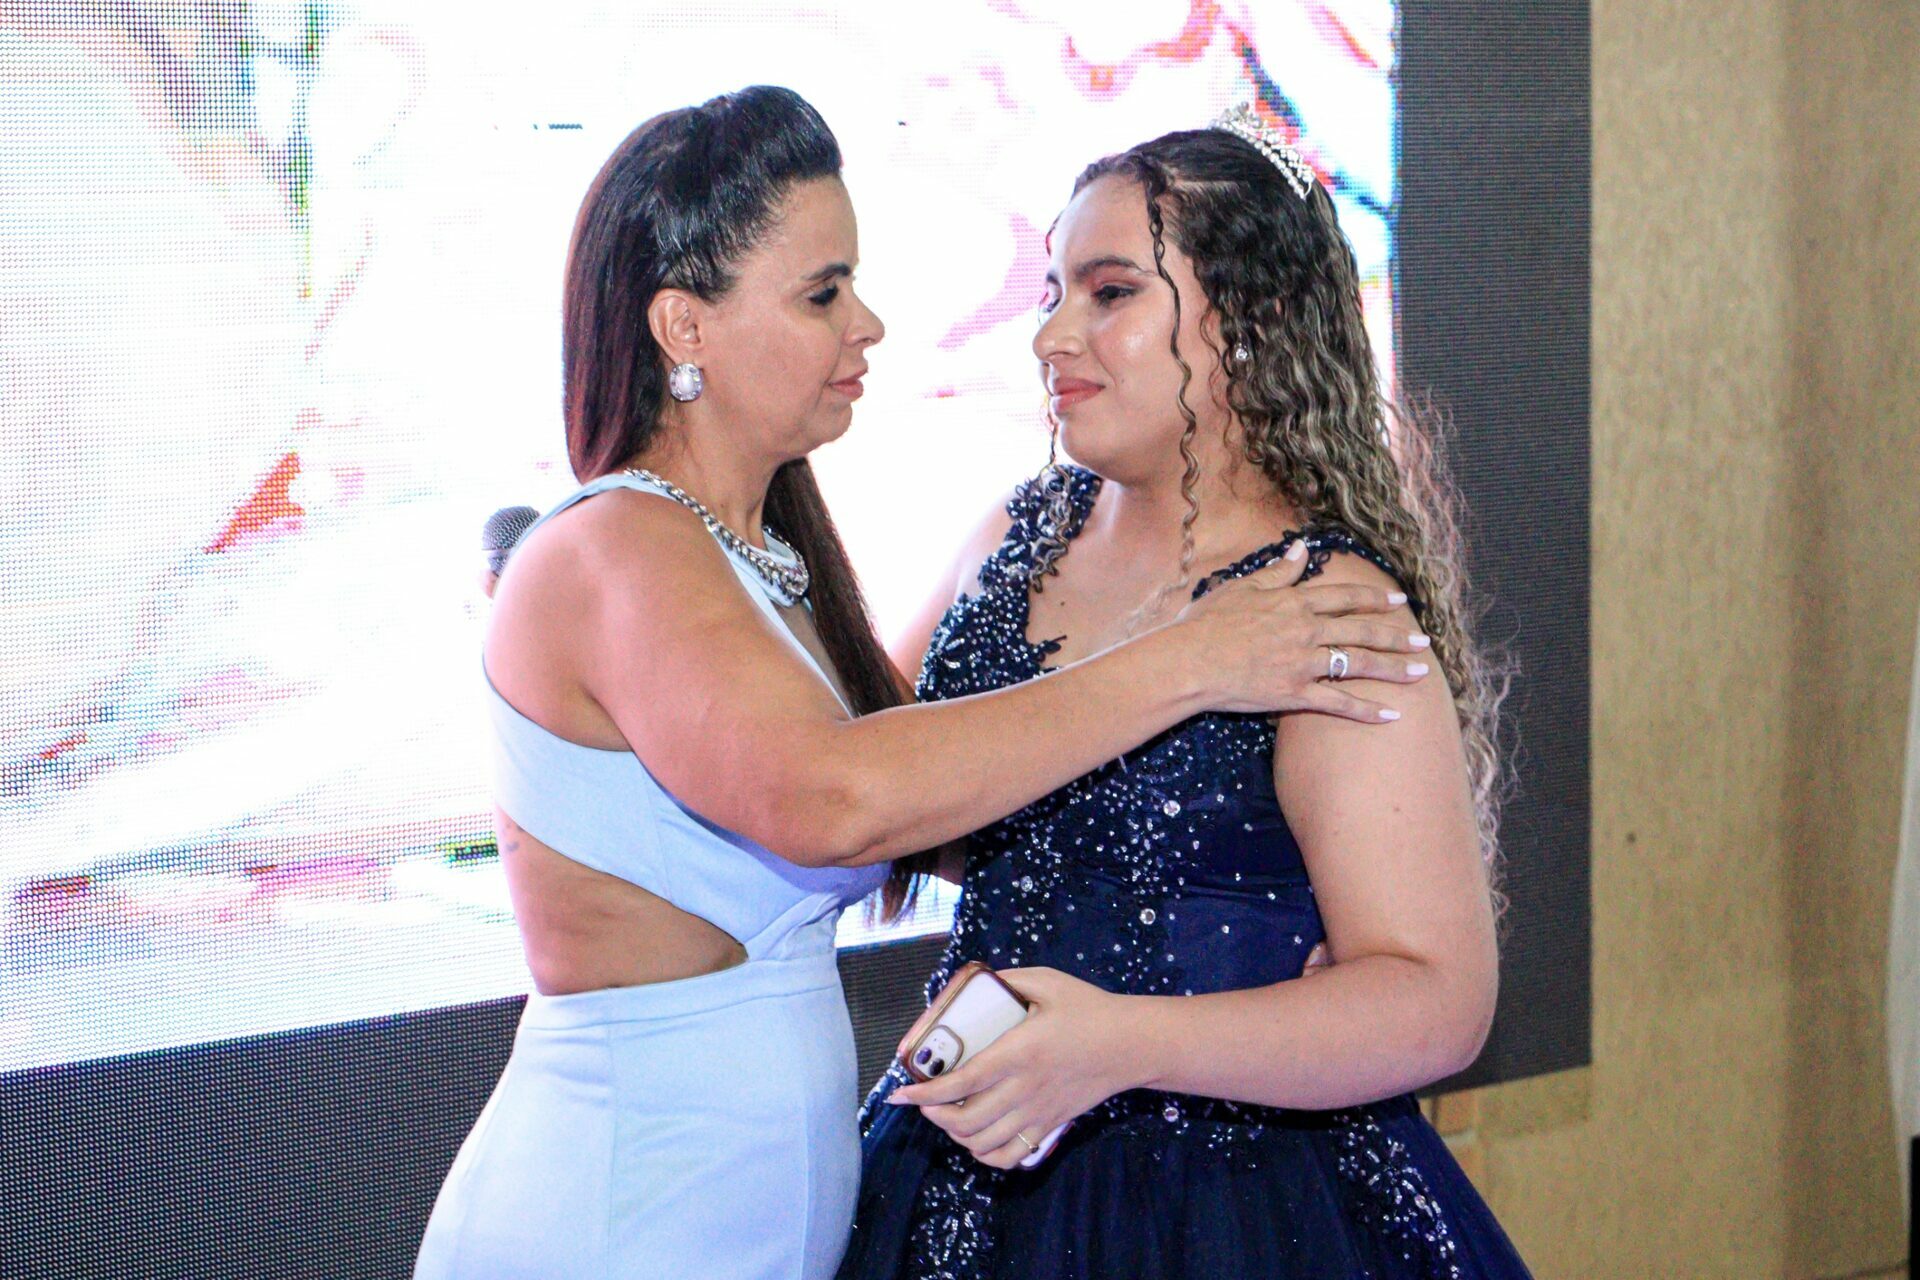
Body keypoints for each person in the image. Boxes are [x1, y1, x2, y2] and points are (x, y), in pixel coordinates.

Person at [413, 88, 1427, 1280]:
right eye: (822, 293)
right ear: (684, 326)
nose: (870, 324)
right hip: (621, 1214)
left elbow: (950, 793)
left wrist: (1243, 947)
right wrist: (1198, 655)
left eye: (1108, 293)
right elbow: (846, 798)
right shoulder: (618, 546)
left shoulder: (760, 562)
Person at [837, 109, 1533, 1279]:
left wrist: (1121, 1039)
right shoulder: (1012, 535)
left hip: (1236, 1205)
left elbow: (1437, 997)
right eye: (1054, 291)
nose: (1052, 334)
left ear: (1254, 321)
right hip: (962, 1175)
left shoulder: (1326, 607)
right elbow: (874, 795)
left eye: (1110, 292)